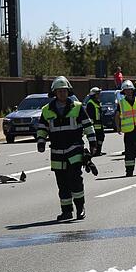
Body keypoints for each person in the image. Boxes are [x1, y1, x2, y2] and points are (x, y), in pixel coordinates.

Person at [37, 76, 97, 221]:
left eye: (64, 91)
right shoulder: (47, 110)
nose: (62, 93)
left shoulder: (77, 107)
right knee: (62, 183)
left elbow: (88, 125)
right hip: (57, 152)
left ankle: (80, 208)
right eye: (59, 91)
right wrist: (41, 141)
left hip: (74, 150)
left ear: (68, 91)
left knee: (75, 180)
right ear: (54, 93)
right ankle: (66, 211)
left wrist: (93, 142)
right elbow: (42, 128)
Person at [84, 87, 103, 154]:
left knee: (101, 137)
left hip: (99, 124)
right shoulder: (90, 103)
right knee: (94, 139)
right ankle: (94, 151)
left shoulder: (97, 102)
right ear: (93, 95)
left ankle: (98, 151)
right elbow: (90, 115)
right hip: (94, 124)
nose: (99, 95)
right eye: (97, 94)